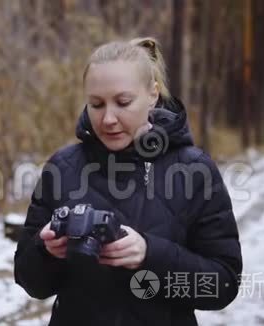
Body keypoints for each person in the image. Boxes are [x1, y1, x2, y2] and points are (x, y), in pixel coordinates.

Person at [14, 37, 242, 325]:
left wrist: (150, 254)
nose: (108, 118)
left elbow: (223, 285)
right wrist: (45, 251)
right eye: (96, 104)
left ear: (153, 95)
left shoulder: (194, 170)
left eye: (123, 102)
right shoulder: (63, 167)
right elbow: (29, 281)